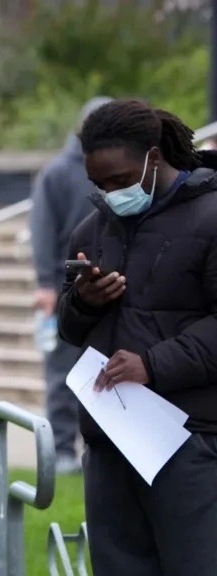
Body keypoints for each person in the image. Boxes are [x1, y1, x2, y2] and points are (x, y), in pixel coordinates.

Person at [57, 99, 217, 575]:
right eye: (99, 184)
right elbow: (70, 329)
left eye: (120, 180)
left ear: (154, 157)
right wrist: (84, 302)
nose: (111, 193)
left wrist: (152, 364)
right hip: (110, 442)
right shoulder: (91, 231)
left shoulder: (210, 218)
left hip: (191, 441)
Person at [29, 96, 111, 475]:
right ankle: (61, 450)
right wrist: (46, 284)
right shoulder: (58, 174)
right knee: (61, 371)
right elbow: (42, 231)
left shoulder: (119, 170)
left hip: (108, 286)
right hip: (65, 288)